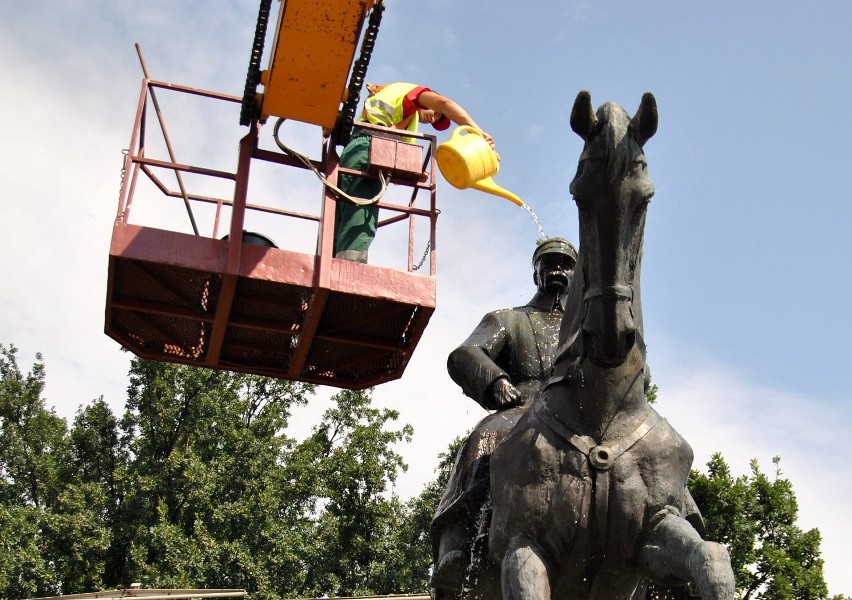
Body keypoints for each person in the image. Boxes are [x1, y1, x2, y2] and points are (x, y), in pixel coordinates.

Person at [429, 237, 578, 594]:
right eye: (550, 263)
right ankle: (462, 542)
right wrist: (494, 380)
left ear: (578, 275)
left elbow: (633, 365)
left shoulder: (590, 327)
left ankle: (677, 522)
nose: (557, 270)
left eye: (566, 264)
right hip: (522, 410)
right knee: (486, 439)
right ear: (536, 273)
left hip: (580, 414)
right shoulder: (509, 320)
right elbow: (466, 353)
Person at [334, 82, 496, 262]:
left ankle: (333, 264)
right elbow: (445, 103)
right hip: (368, 147)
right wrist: (479, 134)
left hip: (359, 149)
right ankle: (351, 269)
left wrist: (415, 170)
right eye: (435, 113)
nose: (434, 119)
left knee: (342, 212)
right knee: (361, 213)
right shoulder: (410, 93)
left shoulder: (403, 120)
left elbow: (396, 153)